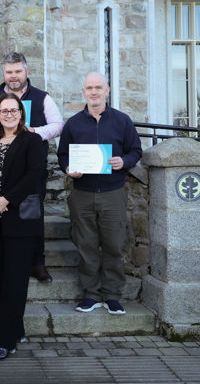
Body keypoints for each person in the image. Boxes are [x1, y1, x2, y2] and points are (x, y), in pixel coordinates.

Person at [57, 72, 142, 316]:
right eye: (89, 88)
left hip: (113, 192)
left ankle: (112, 295)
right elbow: (63, 155)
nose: (93, 92)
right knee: (86, 245)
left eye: (98, 88)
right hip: (82, 193)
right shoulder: (73, 124)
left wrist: (123, 161)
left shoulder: (122, 121)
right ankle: (91, 294)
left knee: (114, 245)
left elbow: (136, 150)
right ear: (83, 92)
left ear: (107, 91)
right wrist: (68, 169)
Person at [0, 52, 63, 283]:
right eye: (9, 72)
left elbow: (57, 124)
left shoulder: (42, 97)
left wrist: (33, 133)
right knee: (2, 216)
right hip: (1, 169)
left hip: (29, 169)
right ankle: (1, 265)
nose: (13, 76)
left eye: (17, 71)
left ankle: (37, 262)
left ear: (26, 72)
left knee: (33, 214)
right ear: (3, 74)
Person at [0, 92, 45, 361]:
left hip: (19, 222)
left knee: (16, 283)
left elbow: (34, 176)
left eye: (13, 110)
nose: (8, 114)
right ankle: (15, 329)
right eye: (3, 111)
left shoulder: (32, 140)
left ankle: (5, 341)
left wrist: (6, 199)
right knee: (2, 280)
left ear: (21, 112)